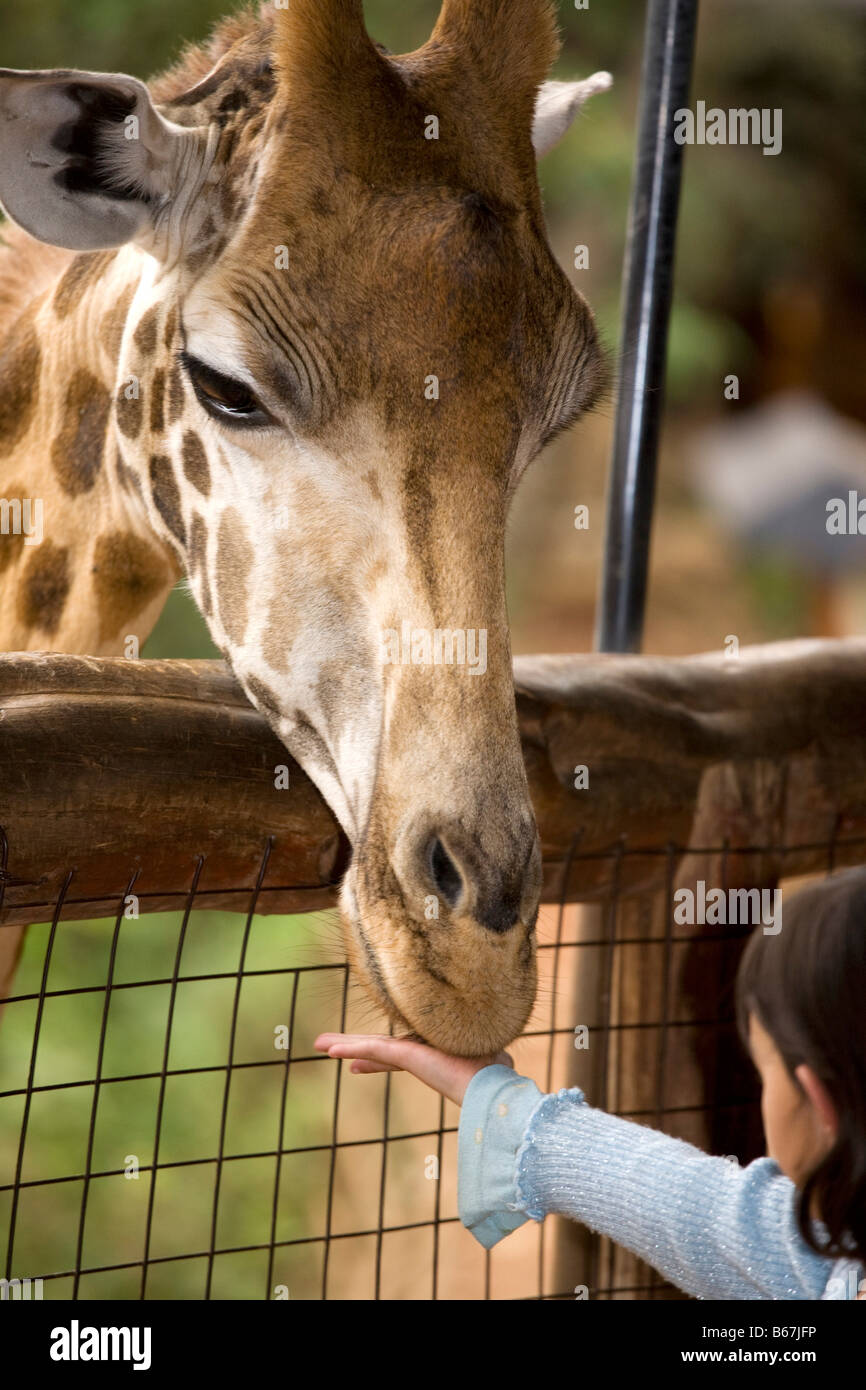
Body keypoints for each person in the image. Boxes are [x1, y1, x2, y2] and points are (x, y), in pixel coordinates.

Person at [315, 867, 866, 1299]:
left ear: (817, 1101)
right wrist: (500, 1101)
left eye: (764, 1074)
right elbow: (709, 1215)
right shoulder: (835, 1251)